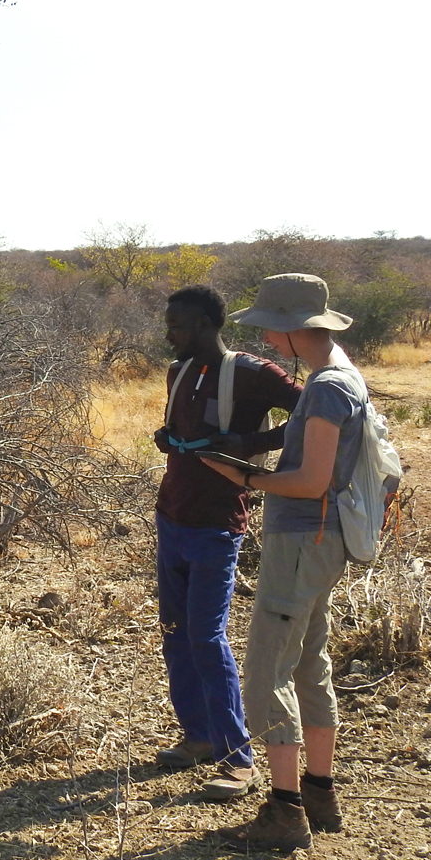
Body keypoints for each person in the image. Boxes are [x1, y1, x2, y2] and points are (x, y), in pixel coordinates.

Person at [199, 273, 366, 851]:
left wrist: (243, 476)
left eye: (273, 328)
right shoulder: (341, 376)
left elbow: (310, 480)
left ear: (298, 329)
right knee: (308, 662)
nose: (268, 339)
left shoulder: (324, 389)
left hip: (303, 540)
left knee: (268, 668)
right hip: (324, 541)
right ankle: (319, 792)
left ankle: (286, 809)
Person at [152, 286, 301, 801]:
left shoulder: (255, 374)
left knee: (206, 637)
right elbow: (184, 431)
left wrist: (252, 444)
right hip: (172, 516)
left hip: (218, 525)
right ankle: (196, 737)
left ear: (203, 325)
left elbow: (313, 413)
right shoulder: (180, 372)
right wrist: (169, 438)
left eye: (176, 324)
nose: (167, 333)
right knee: (175, 631)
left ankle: (238, 759)